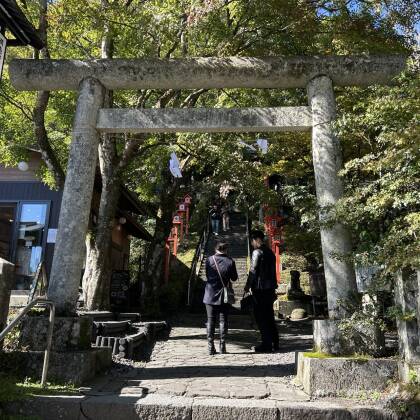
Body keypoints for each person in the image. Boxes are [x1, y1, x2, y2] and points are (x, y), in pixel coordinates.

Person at [244, 230, 279, 353]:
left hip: (260, 289)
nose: (252, 243)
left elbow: (253, 271)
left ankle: (266, 344)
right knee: (269, 316)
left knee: (261, 317)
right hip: (270, 289)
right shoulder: (270, 252)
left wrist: (247, 285)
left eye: (252, 241)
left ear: (255, 239)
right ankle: (275, 341)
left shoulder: (257, 252)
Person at [203, 241, 238, 355]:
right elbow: (234, 278)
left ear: (215, 249)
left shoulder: (209, 260)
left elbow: (208, 275)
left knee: (210, 320)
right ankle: (222, 347)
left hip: (210, 293)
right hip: (224, 295)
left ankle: (210, 347)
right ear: (226, 250)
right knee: (223, 320)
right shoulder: (230, 261)